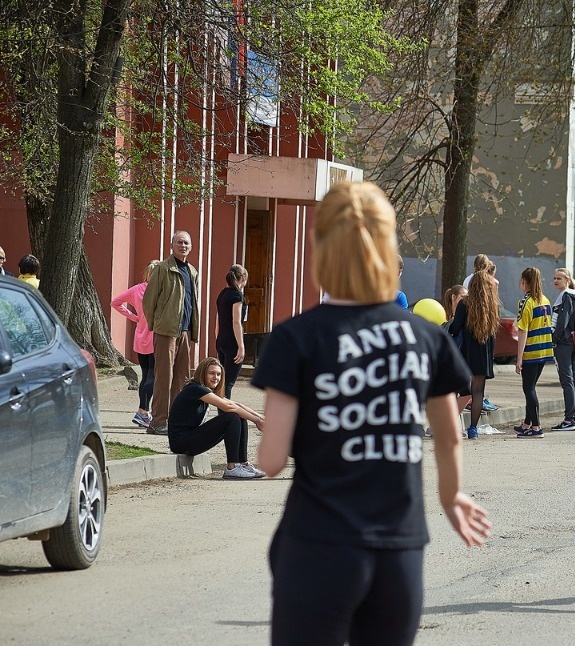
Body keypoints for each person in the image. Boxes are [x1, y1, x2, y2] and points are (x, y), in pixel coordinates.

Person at [252, 181, 490, 645]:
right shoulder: (425, 337)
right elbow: (448, 434)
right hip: (397, 550)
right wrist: (452, 497)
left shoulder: (295, 338)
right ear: (386, 248)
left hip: (316, 543)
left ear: (324, 247)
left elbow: (270, 460)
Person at [167, 357, 265, 480]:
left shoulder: (205, 390)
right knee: (231, 417)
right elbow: (228, 407)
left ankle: (243, 464)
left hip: (190, 438)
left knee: (239, 416)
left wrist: (260, 417)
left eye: (218, 374)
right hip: (181, 442)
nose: (216, 377)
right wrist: (256, 421)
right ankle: (232, 468)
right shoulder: (195, 389)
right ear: (202, 373)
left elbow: (237, 405)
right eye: (211, 373)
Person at [143, 230, 200, 436]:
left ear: (191, 247)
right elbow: (148, 300)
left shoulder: (192, 272)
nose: (183, 246)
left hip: (185, 331)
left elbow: (192, 303)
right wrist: (156, 324)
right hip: (166, 331)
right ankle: (158, 422)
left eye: (186, 243)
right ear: (172, 246)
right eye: (179, 242)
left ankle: (175, 420)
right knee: (163, 378)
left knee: (182, 379)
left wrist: (193, 330)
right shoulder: (163, 269)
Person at [448, 268, 501, 439]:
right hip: (483, 353)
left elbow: (455, 328)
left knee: (458, 389)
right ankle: (473, 429)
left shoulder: (465, 303)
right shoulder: (492, 306)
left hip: (465, 352)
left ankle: (448, 424)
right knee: (478, 392)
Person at [111, 260, 162, 428]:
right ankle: (142, 411)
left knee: (146, 375)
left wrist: (134, 317)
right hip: (155, 337)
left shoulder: (136, 289)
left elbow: (115, 302)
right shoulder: (160, 292)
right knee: (153, 377)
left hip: (140, 337)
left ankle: (143, 412)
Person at [513, 267, 554, 438]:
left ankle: (536, 427)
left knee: (528, 388)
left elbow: (523, 331)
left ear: (524, 281)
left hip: (531, 350)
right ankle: (527, 423)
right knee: (532, 387)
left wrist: (519, 358)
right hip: (545, 349)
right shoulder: (545, 300)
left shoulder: (525, 302)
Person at [550, 268, 575, 431]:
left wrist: (554, 339)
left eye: (559, 278)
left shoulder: (566, 295)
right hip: (574, 341)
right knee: (574, 378)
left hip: (564, 342)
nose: (556, 281)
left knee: (567, 380)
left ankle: (569, 419)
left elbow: (562, 320)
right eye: (555, 278)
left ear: (567, 280)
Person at [215, 264, 249, 400]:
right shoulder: (237, 296)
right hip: (232, 342)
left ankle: (222, 414)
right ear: (242, 279)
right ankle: (226, 416)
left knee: (222, 382)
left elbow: (218, 320)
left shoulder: (222, 294)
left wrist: (217, 340)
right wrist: (241, 346)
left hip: (222, 339)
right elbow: (236, 322)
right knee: (228, 383)